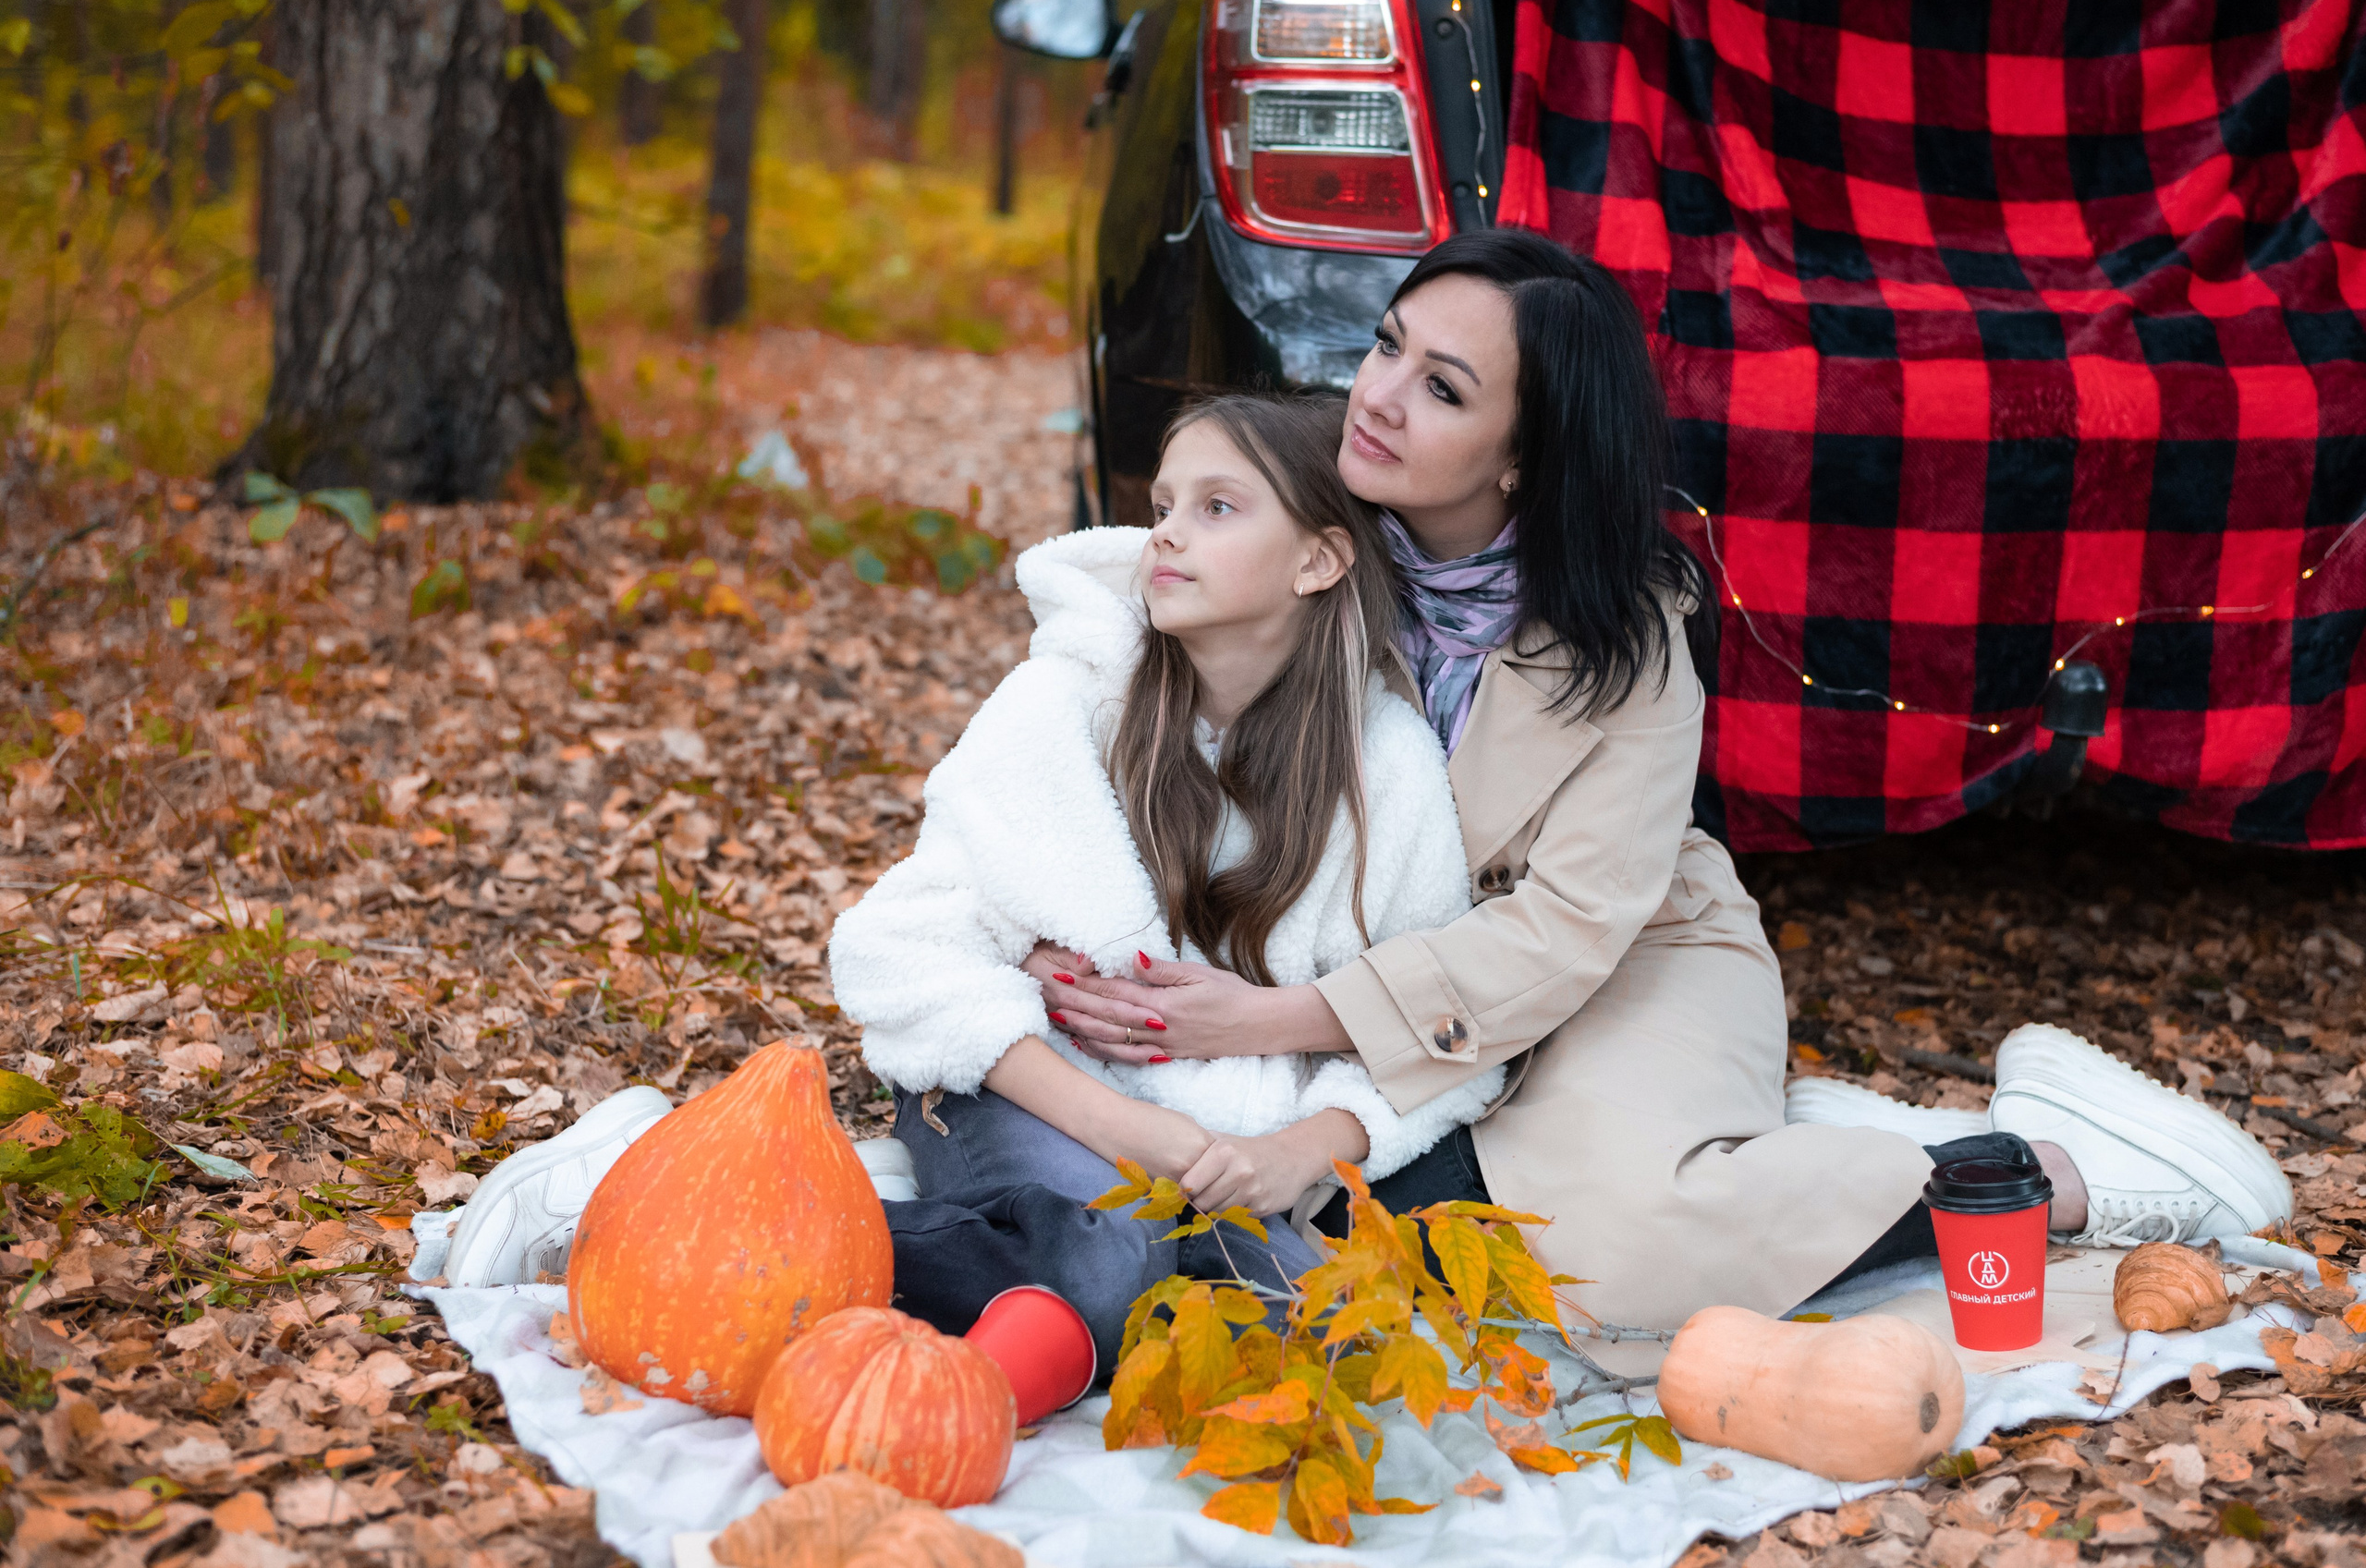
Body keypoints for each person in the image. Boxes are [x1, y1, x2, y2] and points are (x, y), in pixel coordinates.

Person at [1025, 228, 2293, 1328]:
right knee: (1299, 1238)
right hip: (1372, 968)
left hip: (1616, 955)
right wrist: (1047, 924)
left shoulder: (1622, 627)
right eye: (1388, 345)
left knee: (1606, 1261)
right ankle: (1779, 1143)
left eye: (1446, 388)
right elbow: (1128, 664)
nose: (1382, 395)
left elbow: (1571, 923)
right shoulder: (1309, 528)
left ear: (1523, 451)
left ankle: (2025, 1167)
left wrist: (1261, 1021)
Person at [442, 394, 1505, 1370]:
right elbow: (900, 950)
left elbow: (1438, 1022)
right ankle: (630, 1188)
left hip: (1221, 1146)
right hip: (1016, 1083)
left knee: (1321, 1327)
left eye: (1217, 506)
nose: (1168, 530)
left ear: (1318, 562)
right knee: (1107, 1270)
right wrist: (1127, 1127)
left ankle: (878, 1195)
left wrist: (1296, 1149)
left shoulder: (1387, 766)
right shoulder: (1066, 706)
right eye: (1165, 501)